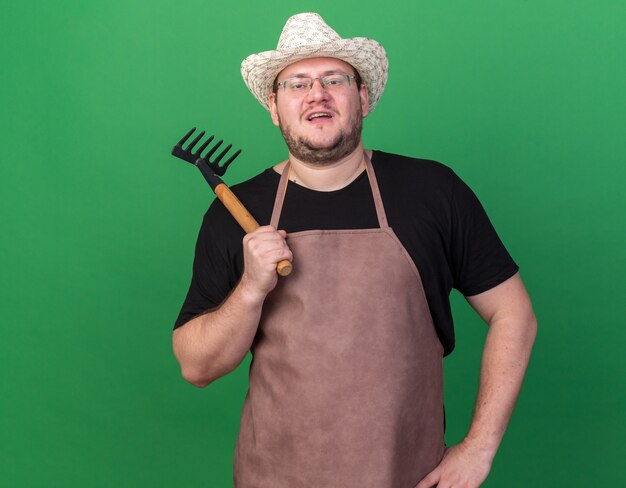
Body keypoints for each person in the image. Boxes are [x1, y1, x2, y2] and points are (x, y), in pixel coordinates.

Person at [172, 12, 537, 488]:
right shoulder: (236, 212)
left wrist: (478, 448)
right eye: (296, 83)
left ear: (362, 98)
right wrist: (250, 289)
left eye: (334, 79)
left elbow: (515, 314)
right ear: (274, 107)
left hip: (409, 475)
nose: (316, 94)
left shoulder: (432, 191)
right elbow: (197, 367)